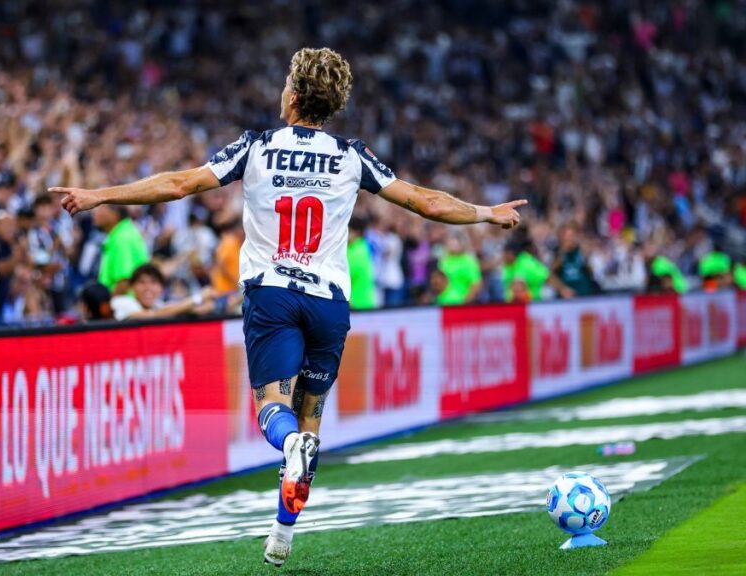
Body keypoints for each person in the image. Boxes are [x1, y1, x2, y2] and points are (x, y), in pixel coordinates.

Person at [53, 47, 525, 567]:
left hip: (272, 294)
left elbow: (180, 184)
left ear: (294, 96)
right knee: (311, 424)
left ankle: (287, 451)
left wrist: (101, 194)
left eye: (285, 85)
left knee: (273, 412)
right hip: (328, 303)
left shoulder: (255, 147)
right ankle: (282, 533)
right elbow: (423, 200)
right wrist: (486, 213)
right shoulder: (351, 155)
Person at [111, 262, 216, 320]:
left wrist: (211, 304)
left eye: (153, 283)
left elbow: (174, 308)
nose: (148, 288)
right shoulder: (122, 302)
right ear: (131, 287)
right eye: (142, 282)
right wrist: (199, 298)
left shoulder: (158, 305)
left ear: (161, 288)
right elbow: (154, 315)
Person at [93, 204, 149, 293]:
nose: (94, 211)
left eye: (101, 207)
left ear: (116, 213)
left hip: (122, 304)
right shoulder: (123, 233)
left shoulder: (122, 238)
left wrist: (107, 305)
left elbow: (124, 281)